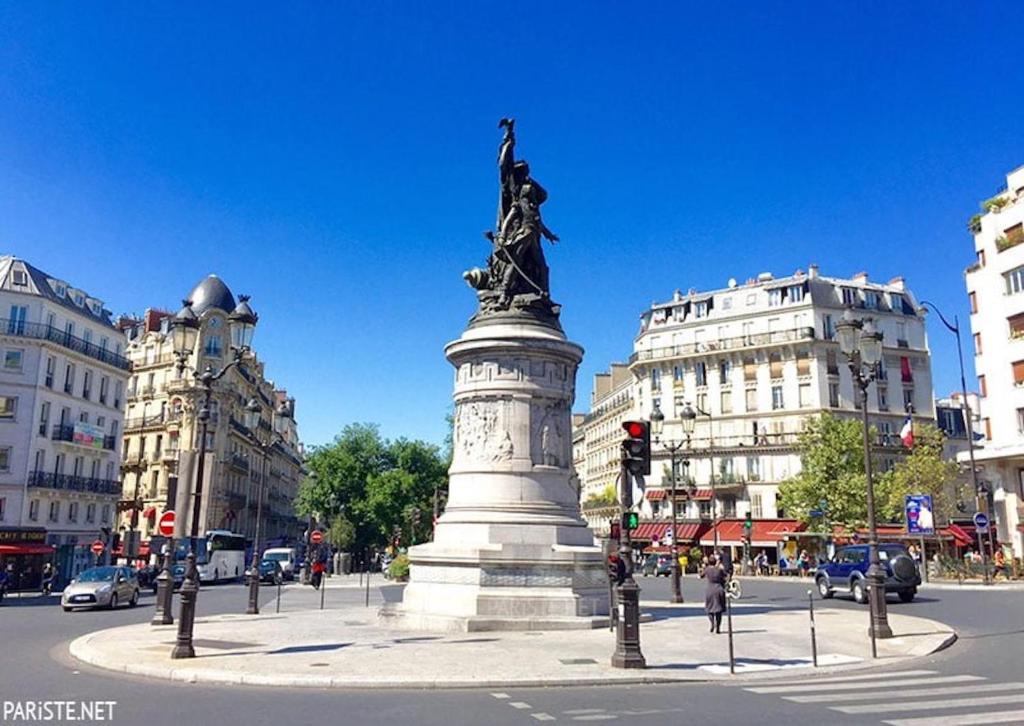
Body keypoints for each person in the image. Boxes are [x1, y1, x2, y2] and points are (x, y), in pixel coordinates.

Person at [701, 554, 727, 634]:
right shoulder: (719, 569)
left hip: (710, 589)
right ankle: (718, 627)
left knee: (709, 608)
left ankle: (712, 623)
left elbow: (701, 575)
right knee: (719, 610)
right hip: (719, 589)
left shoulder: (707, 569)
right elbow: (725, 576)